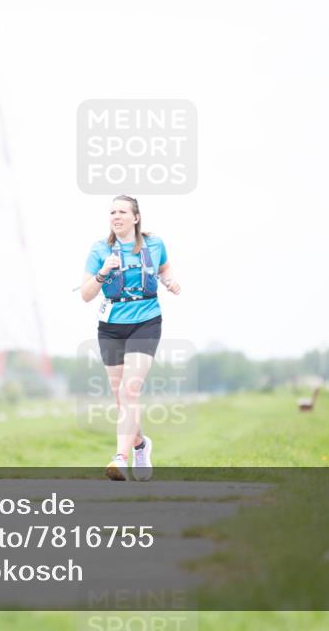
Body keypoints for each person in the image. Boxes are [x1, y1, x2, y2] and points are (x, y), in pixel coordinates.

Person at [80, 195, 181, 481]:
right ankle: (140, 445)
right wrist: (102, 273)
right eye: (112, 212)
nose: (116, 216)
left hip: (146, 321)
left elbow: (164, 269)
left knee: (130, 391)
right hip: (111, 327)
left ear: (136, 217)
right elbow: (86, 295)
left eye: (122, 211)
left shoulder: (155, 244)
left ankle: (119, 458)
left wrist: (171, 281)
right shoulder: (100, 249)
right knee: (120, 398)